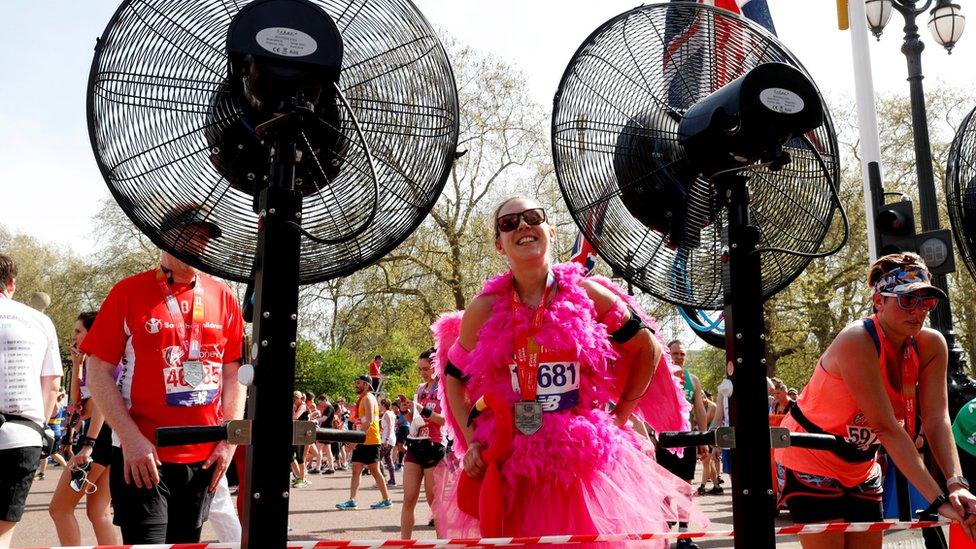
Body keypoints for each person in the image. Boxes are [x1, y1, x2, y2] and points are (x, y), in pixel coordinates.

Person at [433, 196, 701, 545]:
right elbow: (453, 377)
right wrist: (471, 445)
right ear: (500, 245)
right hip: (514, 469)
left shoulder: (589, 295)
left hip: (583, 467)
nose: (523, 226)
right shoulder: (482, 310)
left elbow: (647, 347)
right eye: (509, 223)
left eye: (533, 217)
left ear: (552, 231)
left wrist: (620, 416)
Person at [775, 253, 976, 548]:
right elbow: (886, 427)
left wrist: (957, 485)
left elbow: (936, 419)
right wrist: (937, 501)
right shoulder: (856, 339)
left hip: (861, 464)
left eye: (926, 301)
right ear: (878, 301)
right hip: (812, 458)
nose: (918, 310)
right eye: (907, 300)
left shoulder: (931, 344)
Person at [83, 212, 245, 544]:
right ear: (164, 239)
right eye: (190, 237)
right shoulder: (128, 292)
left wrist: (229, 439)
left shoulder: (224, 295)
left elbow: (234, 373)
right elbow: (97, 371)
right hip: (142, 456)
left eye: (204, 239)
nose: (199, 246)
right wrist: (130, 438)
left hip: (203, 459)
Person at [0, 253, 62, 549]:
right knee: (3, 532)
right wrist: (41, 432)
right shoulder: (40, 320)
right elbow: (51, 384)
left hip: (20, 434)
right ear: (11, 283)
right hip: (21, 435)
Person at [48, 310, 121, 546]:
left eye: (79, 331)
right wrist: (77, 366)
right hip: (107, 437)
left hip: (99, 437)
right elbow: (77, 407)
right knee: (98, 513)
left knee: (59, 509)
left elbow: (100, 404)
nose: (74, 337)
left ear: (94, 332)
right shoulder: (93, 360)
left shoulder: (102, 360)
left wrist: (88, 445)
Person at [656, 340, 708, 548]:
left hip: (686, 438)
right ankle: (665, 535)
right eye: (675, 353)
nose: (679, 357)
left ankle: (684, 535)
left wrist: (703, 439)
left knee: (686, 487)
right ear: (668, 355)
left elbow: (700, 410)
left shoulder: (692, 380)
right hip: (666, 439)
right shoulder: (660, 378)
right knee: (665, 489)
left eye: (682, 354)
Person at [400, 348, 447, 538]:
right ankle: (403, 542)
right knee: (408, 497)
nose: (423, 372)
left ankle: (442, 542)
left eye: (426, 368)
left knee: (433, 500)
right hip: (415, 444)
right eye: (420, 369)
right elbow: (416, 420)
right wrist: (405, 411)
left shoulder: (444, 387)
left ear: (436, 366)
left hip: (434, 445)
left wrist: (424, 411)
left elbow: (444, 420)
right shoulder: (420, 389)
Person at [335, 375, 393, 510]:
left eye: (358, 382)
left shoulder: (368, 398)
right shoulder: (363, 398)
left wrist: (356, 440)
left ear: (366, 385)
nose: (356, 385)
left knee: (375, 471)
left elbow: (370, 421)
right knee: (356, 470)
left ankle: (387, 500)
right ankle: (352, 500)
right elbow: (363, 421)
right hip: (363, 440)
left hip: (370, 441)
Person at [290, 391, 310, 488]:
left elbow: (295, 417)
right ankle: (299, 476)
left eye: (294, 399)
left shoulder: (302, 406)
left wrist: (293, 414)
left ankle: (302, 479)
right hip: (296, 432)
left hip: (303, 433)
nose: (293, 401)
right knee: (290, 457)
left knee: (300, 457)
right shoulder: (296, 406)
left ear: (299, 398)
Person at [379, 398, 397, 486]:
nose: (379, 406)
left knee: (377, 459)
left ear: (383, 405)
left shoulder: (387, 414)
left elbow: (389, 426)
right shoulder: (392, 413)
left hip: (387, 439)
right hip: (391, 438)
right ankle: (392, 480)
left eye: (380, 405)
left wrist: (386, 439)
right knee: (388, 460)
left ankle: (382, 479)